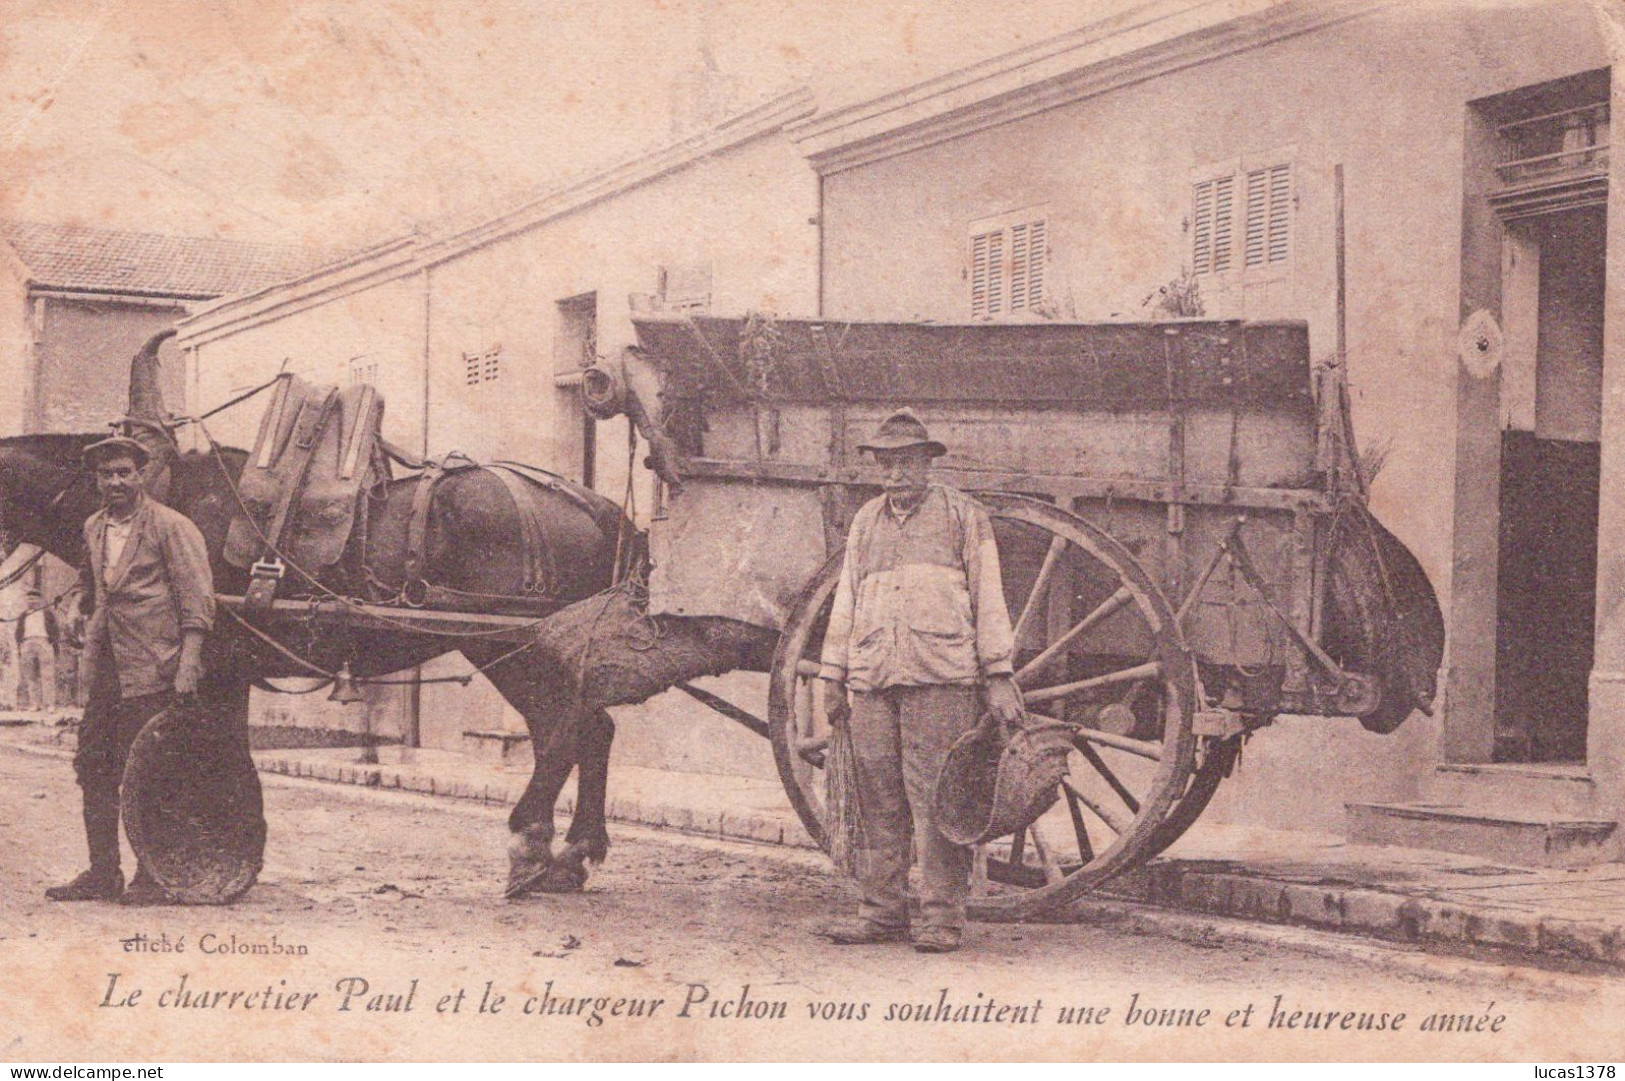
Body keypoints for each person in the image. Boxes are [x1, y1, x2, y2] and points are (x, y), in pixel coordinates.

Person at [815, 408, 1023, 954]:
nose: (895, 475)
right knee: (878, 799)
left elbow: (989, 597)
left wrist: (998, 673)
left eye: (906, 463)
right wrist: (833, 674)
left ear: (927, 464)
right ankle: (882, 911)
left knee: (935, 801)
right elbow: (846, 600)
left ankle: (940, 918)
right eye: (887, 464)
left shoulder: (962, 516)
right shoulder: (866, 521)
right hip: (874, 678)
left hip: (941, 677)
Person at [45, 435, 214, 905]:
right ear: (97, 480)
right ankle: (103, 873)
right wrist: (80, 609)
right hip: (108, 668)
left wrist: (188, 663)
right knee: (94, 766)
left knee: (149, 772)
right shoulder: (94, 527)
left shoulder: (171, 526)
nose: (116, 481)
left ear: (141, 476)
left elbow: (196, 600)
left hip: (155, 667)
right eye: (107, 474)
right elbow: (95, 586)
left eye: (124, 472)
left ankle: (152, 874)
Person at [16, 587, 58, 711]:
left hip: (43, 642)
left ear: (40, 600)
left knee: (47, 674)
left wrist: (53, 643)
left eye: (34, 598)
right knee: (30, 675)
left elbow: (55, 630)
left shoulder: (47, 613)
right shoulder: (23, 615)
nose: (32, 601)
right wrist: (21, 645)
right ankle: (35, 704)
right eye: (29, 599)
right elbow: (18, 631)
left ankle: (50, 704)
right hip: (27, 643)